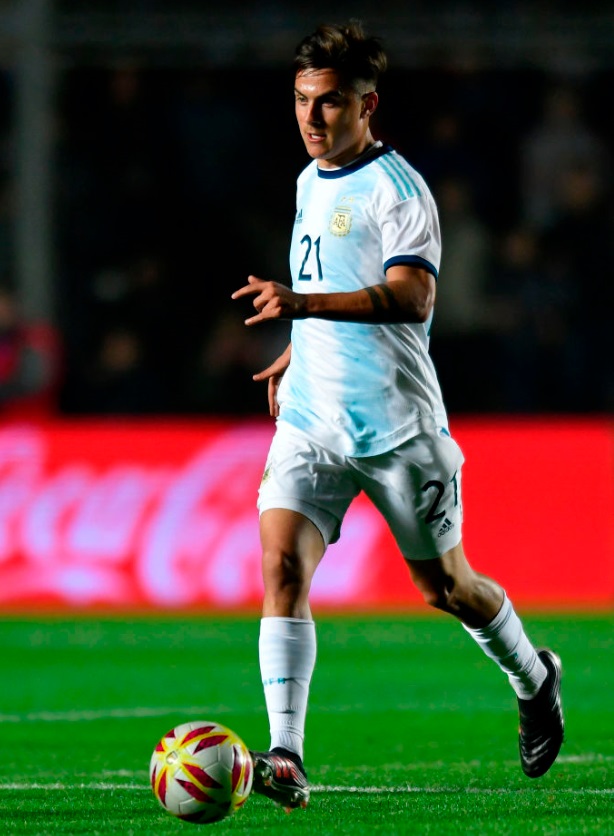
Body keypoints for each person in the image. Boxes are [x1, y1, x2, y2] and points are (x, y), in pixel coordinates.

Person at [232, 21, 564, 811]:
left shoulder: (399, 191)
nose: (312, 118)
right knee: (281, 567)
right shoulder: (309, 181)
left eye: (330, 102)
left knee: (446, 587)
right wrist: (298, 346)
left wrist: (302, 306)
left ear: (367, 104)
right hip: (312, 420)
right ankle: (287, 753)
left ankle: (533, 675)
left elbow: (413, 297)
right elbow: (326, 281)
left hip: (395, 426)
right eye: (302, 100)